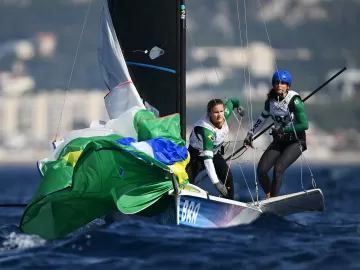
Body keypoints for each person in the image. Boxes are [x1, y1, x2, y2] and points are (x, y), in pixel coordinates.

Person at [243, 69, 309, 198]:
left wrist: (284, 130)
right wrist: (250, 133)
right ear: (273, 85)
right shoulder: (270, 101)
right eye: (277, 83)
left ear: (288, 86)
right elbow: (262, 118)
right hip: (279, 141)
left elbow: (304, 125)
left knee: (278, 169)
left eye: (283, 83)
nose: (279, 85)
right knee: (261, 170)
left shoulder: (295, 101)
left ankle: (273, 198)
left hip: (296, 141)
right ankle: (269, 197)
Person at [186, 98, 245, 199]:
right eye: (216, 112)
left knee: (228, 177)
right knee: (186, 183)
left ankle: (230, 205)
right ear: (209, 113)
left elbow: (232, 101)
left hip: (214, 153)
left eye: (221, 111)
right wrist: (216, 183)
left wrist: (239, 106)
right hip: (196, 156)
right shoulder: (207, 131)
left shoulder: (224, 114)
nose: (219, 115)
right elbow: (208, 160)